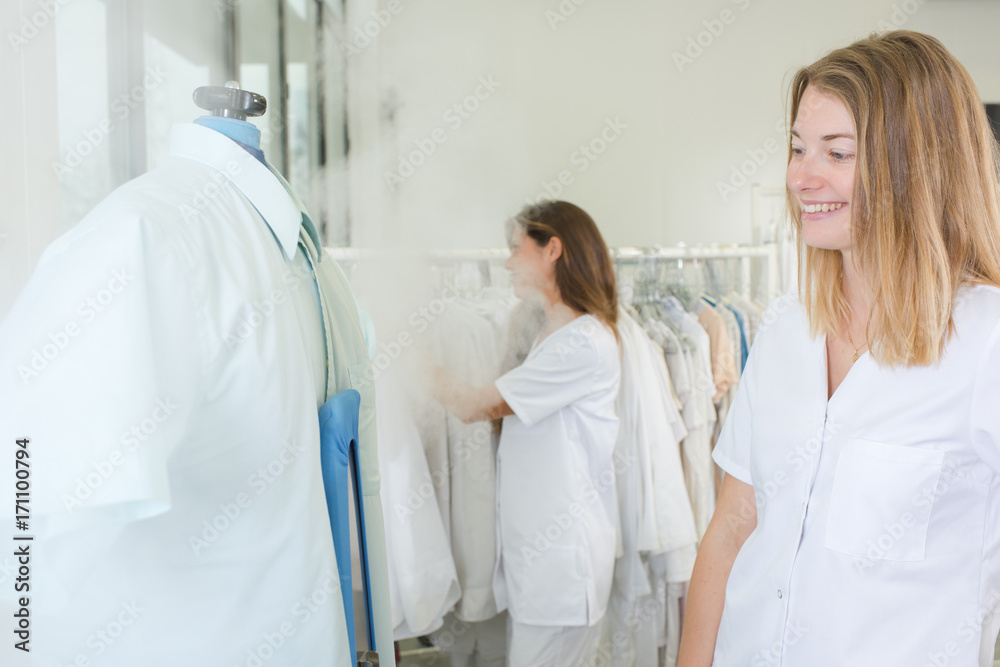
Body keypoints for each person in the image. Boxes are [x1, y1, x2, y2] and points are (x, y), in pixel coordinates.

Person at [678, 30, 1000, 666]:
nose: (801, 176)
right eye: (798, 148)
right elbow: (731, 529)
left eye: (837, 152)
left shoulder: (985, 342)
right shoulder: (783, 331)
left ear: (919, 164)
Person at [429, 200, 621, 667]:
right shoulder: (549, 335)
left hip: (562, 568)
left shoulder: (581, 342)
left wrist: (403, 357)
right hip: (545, 565)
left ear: (552, 249)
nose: (507, 262)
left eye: (516, 248)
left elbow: (477, 407)